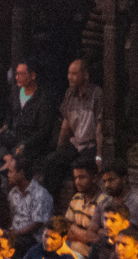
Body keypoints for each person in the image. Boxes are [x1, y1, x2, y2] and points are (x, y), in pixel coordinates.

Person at [44, 60, 102, 194]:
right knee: (52, 162)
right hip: (75, 143)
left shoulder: (96, 93)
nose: (70, 77)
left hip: (90, 145)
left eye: (74, 74)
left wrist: (99, 156)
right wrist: (59, 148)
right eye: (69, 73)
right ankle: (51, 203)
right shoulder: (70, 93)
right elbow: (66, 123)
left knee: (80, 169)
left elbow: (100, 126)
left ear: (85, 75)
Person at [0, 62, 59, 179]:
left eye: (21, 74)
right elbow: (10, 112)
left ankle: (9, 161)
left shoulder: (43, 98)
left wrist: (25, 143)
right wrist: (6, 125)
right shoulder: (16, 92)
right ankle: (8, 158)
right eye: (16, 74)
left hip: (31, 141)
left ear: (32, 75)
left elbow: (44, 130)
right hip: (15, 135)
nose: (17, 77)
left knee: (21, 150)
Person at [5, 159, 53, 241]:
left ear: (21, 173)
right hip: (15, 236)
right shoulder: (13, 193)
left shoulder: (40, 194)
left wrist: (14, 234)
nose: (8, 175)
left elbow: (36, 225)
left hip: (33, 239)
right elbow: (12, 216)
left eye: (11, 172)